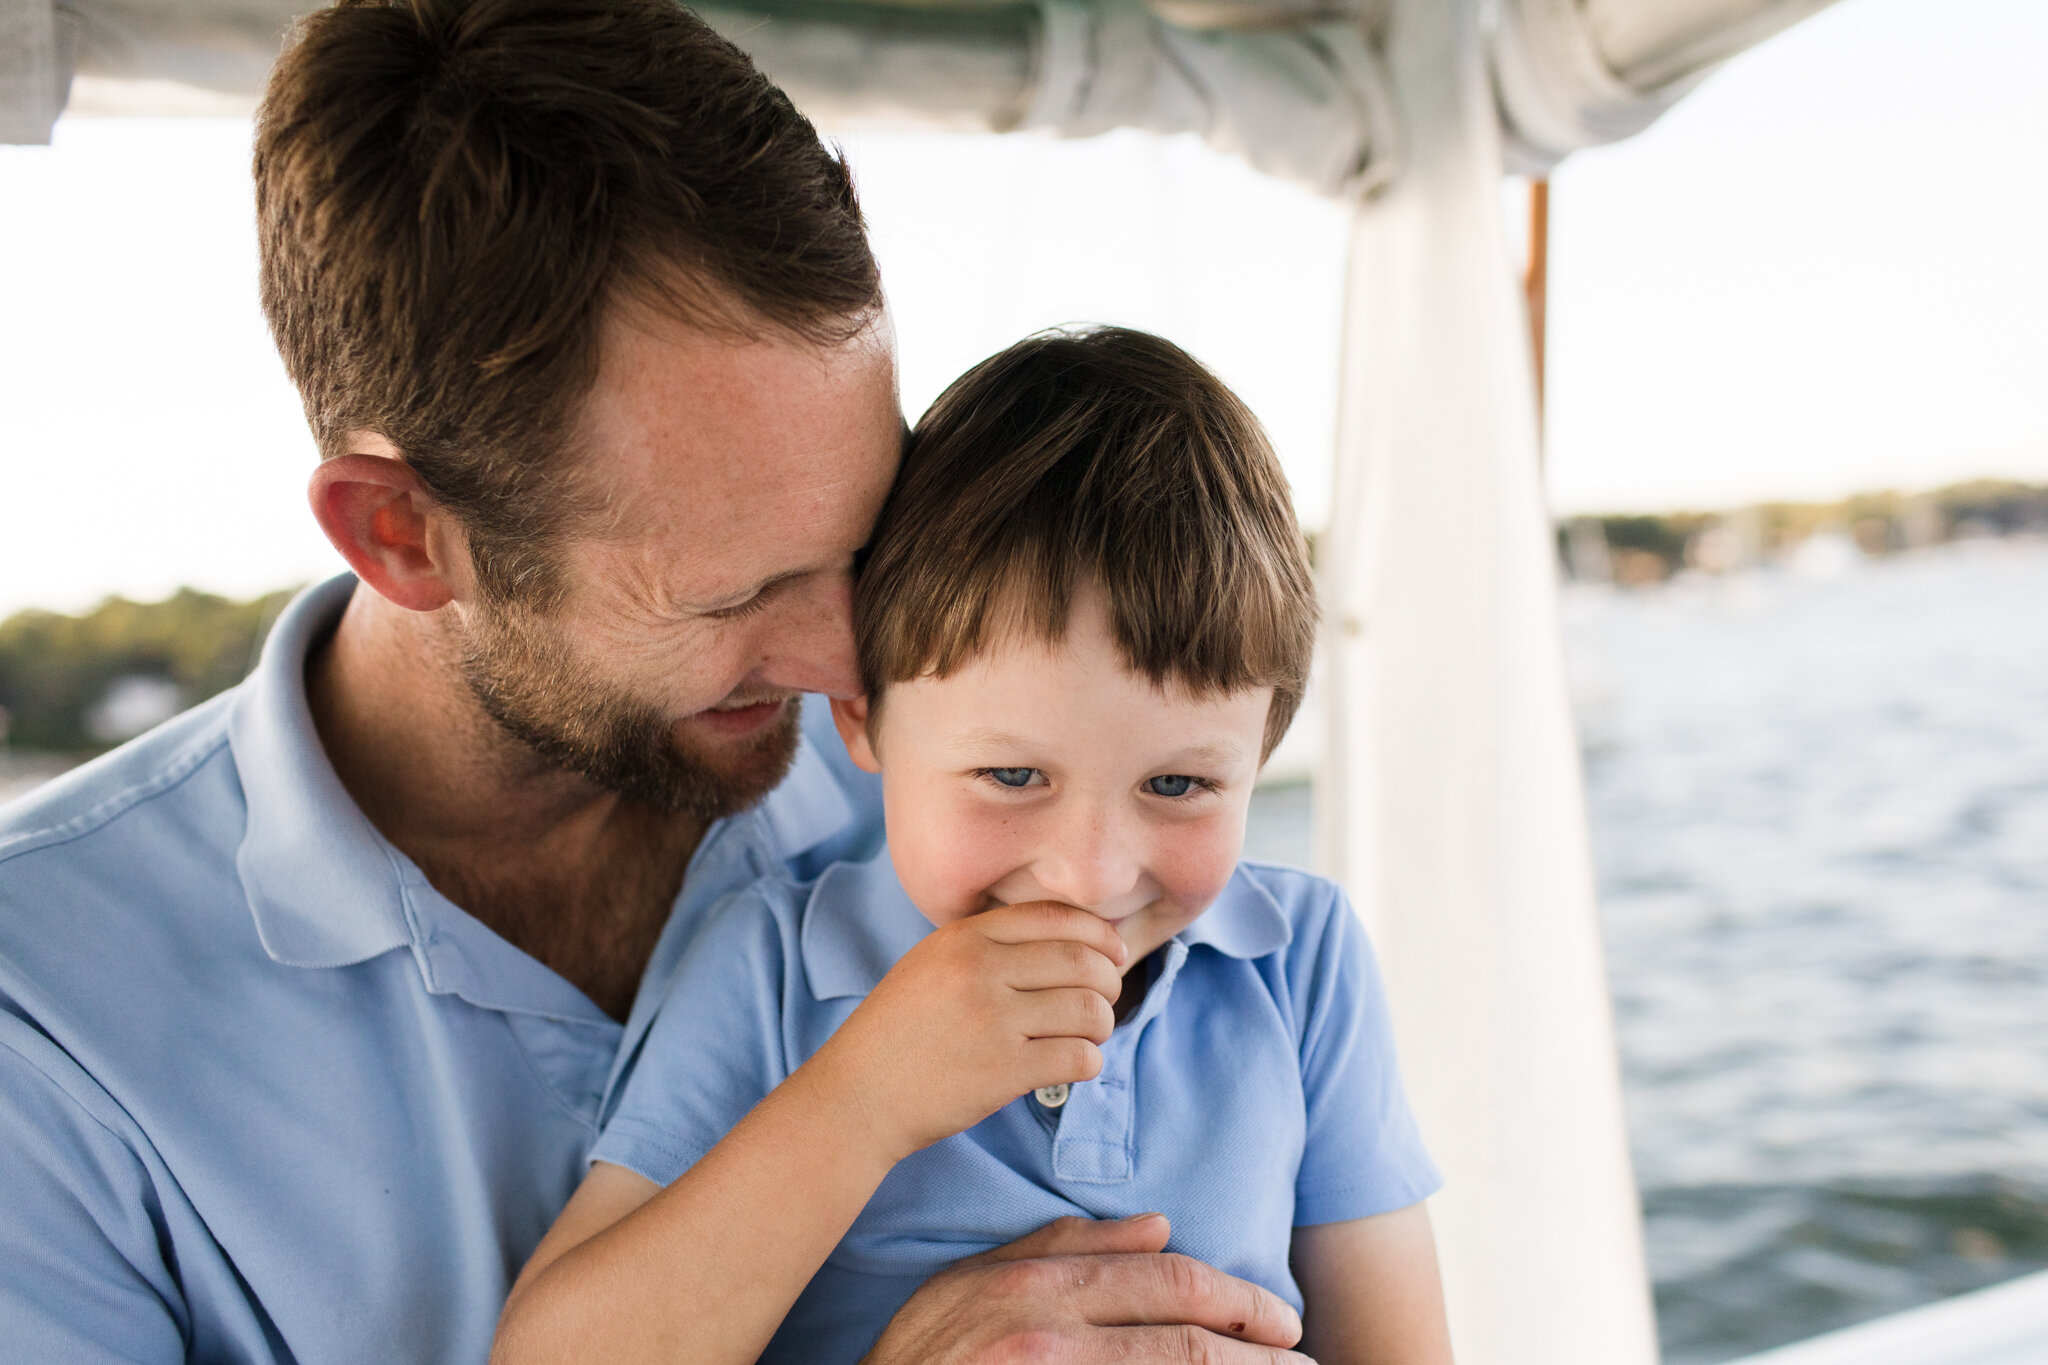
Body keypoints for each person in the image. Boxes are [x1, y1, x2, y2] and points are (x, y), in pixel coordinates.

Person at [0, 2, 1309, 1361]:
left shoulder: (978, 781)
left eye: (868, 545)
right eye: (734, 593)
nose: (849, 664)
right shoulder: (44, 1034)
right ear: (404, 534)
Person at [493, 328, 1455, 1365]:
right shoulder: (771, 968)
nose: (1089, 874)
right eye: (1011, 777)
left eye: (1178, 785)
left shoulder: (1299, 965)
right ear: (860, 718)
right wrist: (864, 1097)